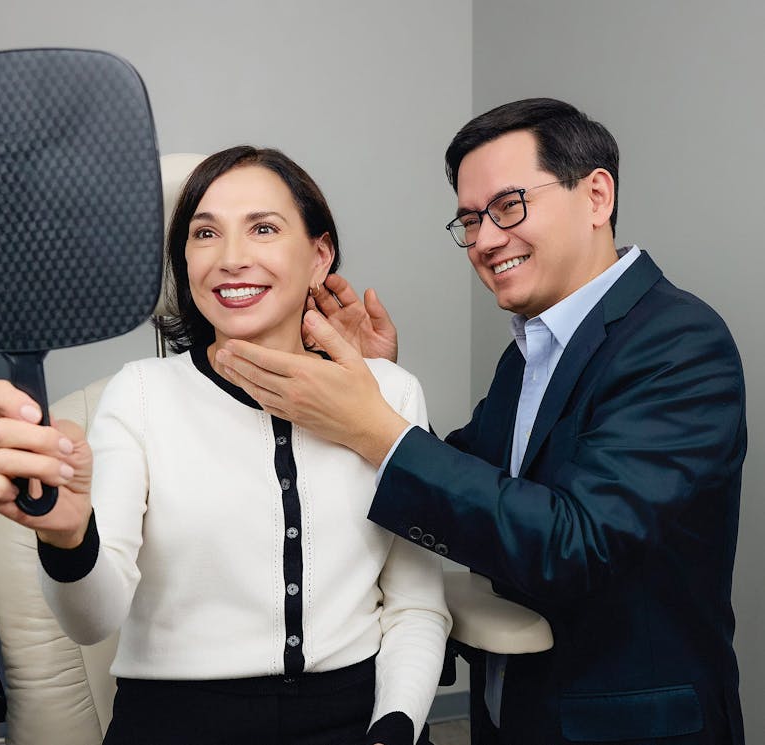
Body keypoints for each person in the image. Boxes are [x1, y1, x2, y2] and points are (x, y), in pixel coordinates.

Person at [215, 100, 747, 744]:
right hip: (512, 714)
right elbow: (482, 488)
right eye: (470, 219)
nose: (487, 239)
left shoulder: (680, 343)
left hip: (618, 725)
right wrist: (384, 392)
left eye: (509, 206)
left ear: (596, 195)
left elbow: (573, 547)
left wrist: (374, 426)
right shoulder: (530, 348)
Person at [0, 146, 451, 745]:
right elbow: (91, 622)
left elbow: (417, 606)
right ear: (184, 261)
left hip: (364, 718)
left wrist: (395, 726)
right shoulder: (139, 396)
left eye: (264, 229)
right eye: (204, 234)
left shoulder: (392, 395)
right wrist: (69, 538)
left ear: (319, 255)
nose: (231, 259)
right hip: (179, 723)